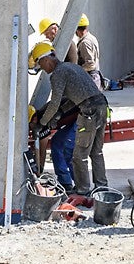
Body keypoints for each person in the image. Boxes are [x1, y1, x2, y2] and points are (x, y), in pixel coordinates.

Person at [34, 42, 109, 195]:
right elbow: (75, 98)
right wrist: (61, 112)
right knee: (96, 152)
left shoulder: (57, 74)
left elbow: (54, 102)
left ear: (47, 60)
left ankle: (82, 190)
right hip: (102, 106)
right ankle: (102, 187)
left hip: (89, 112)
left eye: (41, 64)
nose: (43, 69)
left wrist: (42, 123)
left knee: (79, 155)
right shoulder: (71, 67)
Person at [28, 41, 76, 189]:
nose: (30, 128)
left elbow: (41, 150)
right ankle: (71, 182)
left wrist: (39, 172)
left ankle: (71, 184)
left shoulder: (41, 122)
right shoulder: (40, 113)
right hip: (75, 114)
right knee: (61, 145)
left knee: (61, 147)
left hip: (79, 116)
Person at [75, 14, 102, 88]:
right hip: (94, 78)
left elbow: (90, 64)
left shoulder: (85, 43)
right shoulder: (92, 38)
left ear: (76, 30)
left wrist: (77, 70)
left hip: (90, 79)